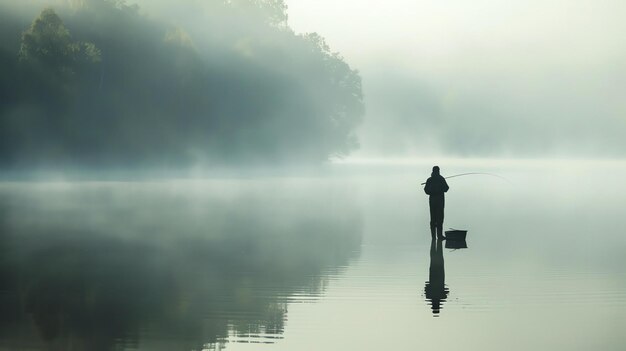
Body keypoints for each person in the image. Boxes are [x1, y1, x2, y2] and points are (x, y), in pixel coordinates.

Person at [424, 166, 449, 239]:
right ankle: (440, 236)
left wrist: (432, 191)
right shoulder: (441, 179)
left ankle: (433, 237)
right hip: (440, 202)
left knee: (433, 219)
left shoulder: (429, 180)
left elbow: (426, 190)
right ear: (438, 171)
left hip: (432, 202)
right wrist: (440, 189)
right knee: (440, 219)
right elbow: (446, 188)